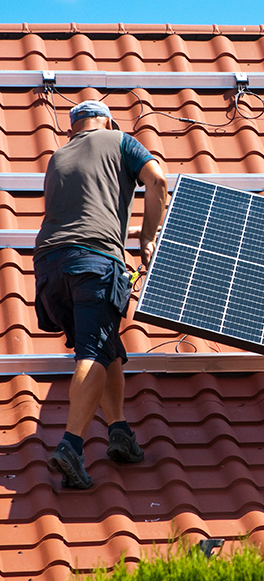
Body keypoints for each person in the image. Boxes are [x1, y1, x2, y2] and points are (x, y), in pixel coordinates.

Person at [34, 100, 168, 489]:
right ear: (107, 121)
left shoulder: (58, 156)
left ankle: (119, 432)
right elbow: (157, 181)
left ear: (73, 129)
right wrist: (145, 237)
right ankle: (71, 446)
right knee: (92, 352)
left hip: (48, 269)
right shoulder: (121, 140)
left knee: (106, 345)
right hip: (94, 260)